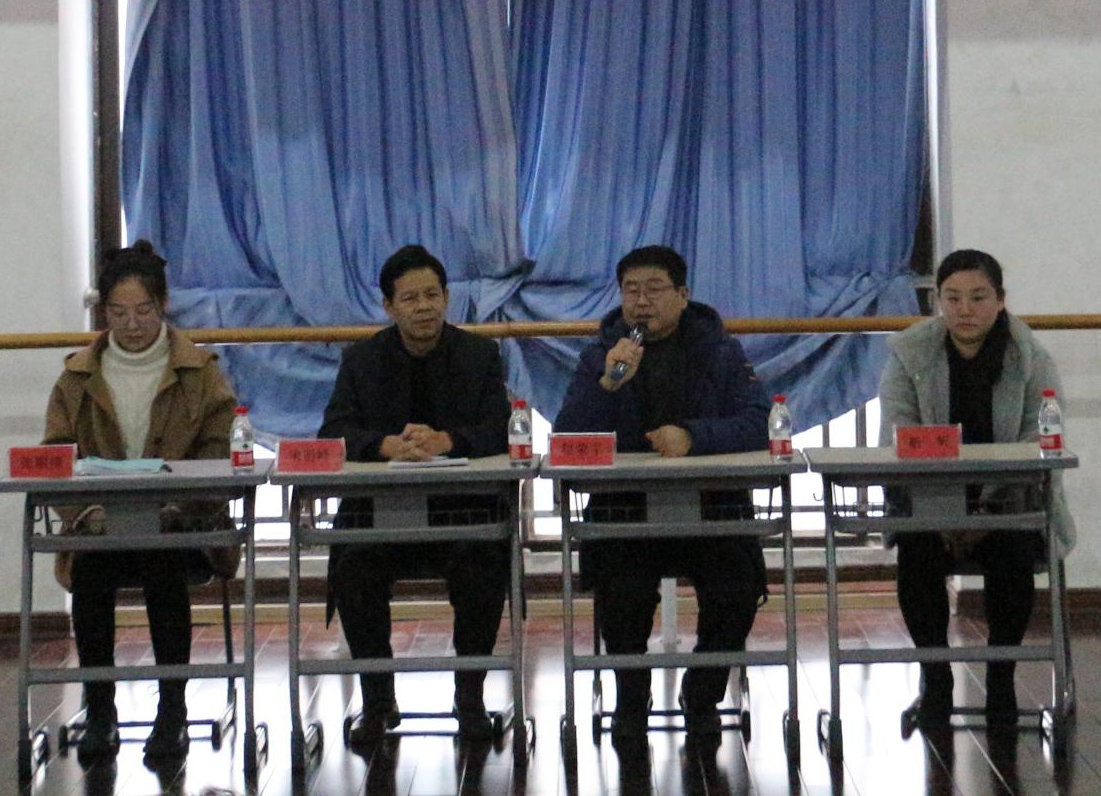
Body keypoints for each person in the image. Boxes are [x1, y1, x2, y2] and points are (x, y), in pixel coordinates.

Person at [554, 244, 772, 744]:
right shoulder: (602, 353)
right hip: (625, 513)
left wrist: (694, 438)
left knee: (737, 587)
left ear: (683, 294)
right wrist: (607, 385)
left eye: (654, 289)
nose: (642, 301)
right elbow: (567, 438)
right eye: (631, 290)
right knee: (621, 592)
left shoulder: (719, 351)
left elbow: (761, 422)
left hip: (713, 511)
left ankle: (702, 693)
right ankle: (632, 698)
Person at [42, 241, 239, 773]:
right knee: (91, 572)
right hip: (102, 527)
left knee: (162, 563)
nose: (131, 325)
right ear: (103, 312)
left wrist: (181, 505)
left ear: (164, 305)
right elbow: (56, 455)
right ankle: (100, 710)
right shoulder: (77, 377)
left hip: (180, 528)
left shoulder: (200, 371)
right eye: (119, 313)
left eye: (144, 311)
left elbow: (218, 450)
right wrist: (85, 514)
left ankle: (171, 710)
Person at [317, 243, 515, 750]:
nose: (423, 307)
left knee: (484, 562)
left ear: (447, 298)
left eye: (432, 295)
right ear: (389, 306)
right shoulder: (362, 360)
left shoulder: (479, 355)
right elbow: (333, 432)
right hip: (380, 517)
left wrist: (448, 441)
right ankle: (377, 700)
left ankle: (470, 697)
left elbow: (502, 428)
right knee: (354, 566)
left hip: (463, 514)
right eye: (410, 298)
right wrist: (384, 446)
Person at [879, 247, 1074, 731]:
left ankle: (1001, 679)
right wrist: (945, 512)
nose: (965, 309)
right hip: (931, 504)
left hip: (1008, 501)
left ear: (1001, 300)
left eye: (978, 297)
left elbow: (1040, 439)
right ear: (938, 302)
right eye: (953, 298)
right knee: (917, 554)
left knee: (1012, 551)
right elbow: (898, 438)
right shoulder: (909, 353)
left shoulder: (1029, 357)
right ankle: (936, 680)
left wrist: (984, 510)